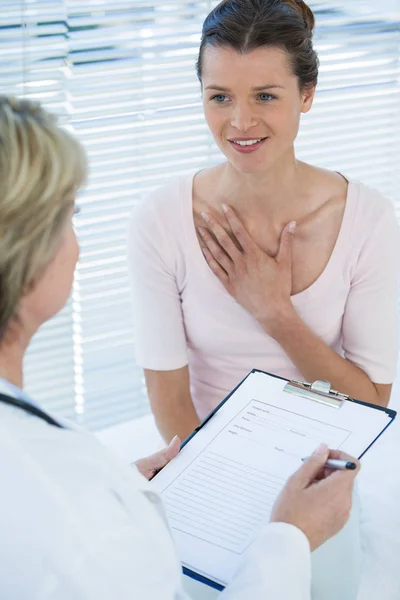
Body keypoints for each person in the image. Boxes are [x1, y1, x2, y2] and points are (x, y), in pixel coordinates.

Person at [0, 95, 360, 600]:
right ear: (28, 247)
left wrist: (121, 492)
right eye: (70, 215)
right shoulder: (71, 516)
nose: (241, 120)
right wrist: (290, 538)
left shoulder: (54, 475)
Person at [129, 0, 400, 445]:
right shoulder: (161, 220)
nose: (240, 122)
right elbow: (170, 402)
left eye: (266, 96)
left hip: (320, 471)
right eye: (220, 97)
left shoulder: (366, 219)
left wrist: (276, 314)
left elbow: (370, 406)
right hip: (202, 468)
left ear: (307, 94)